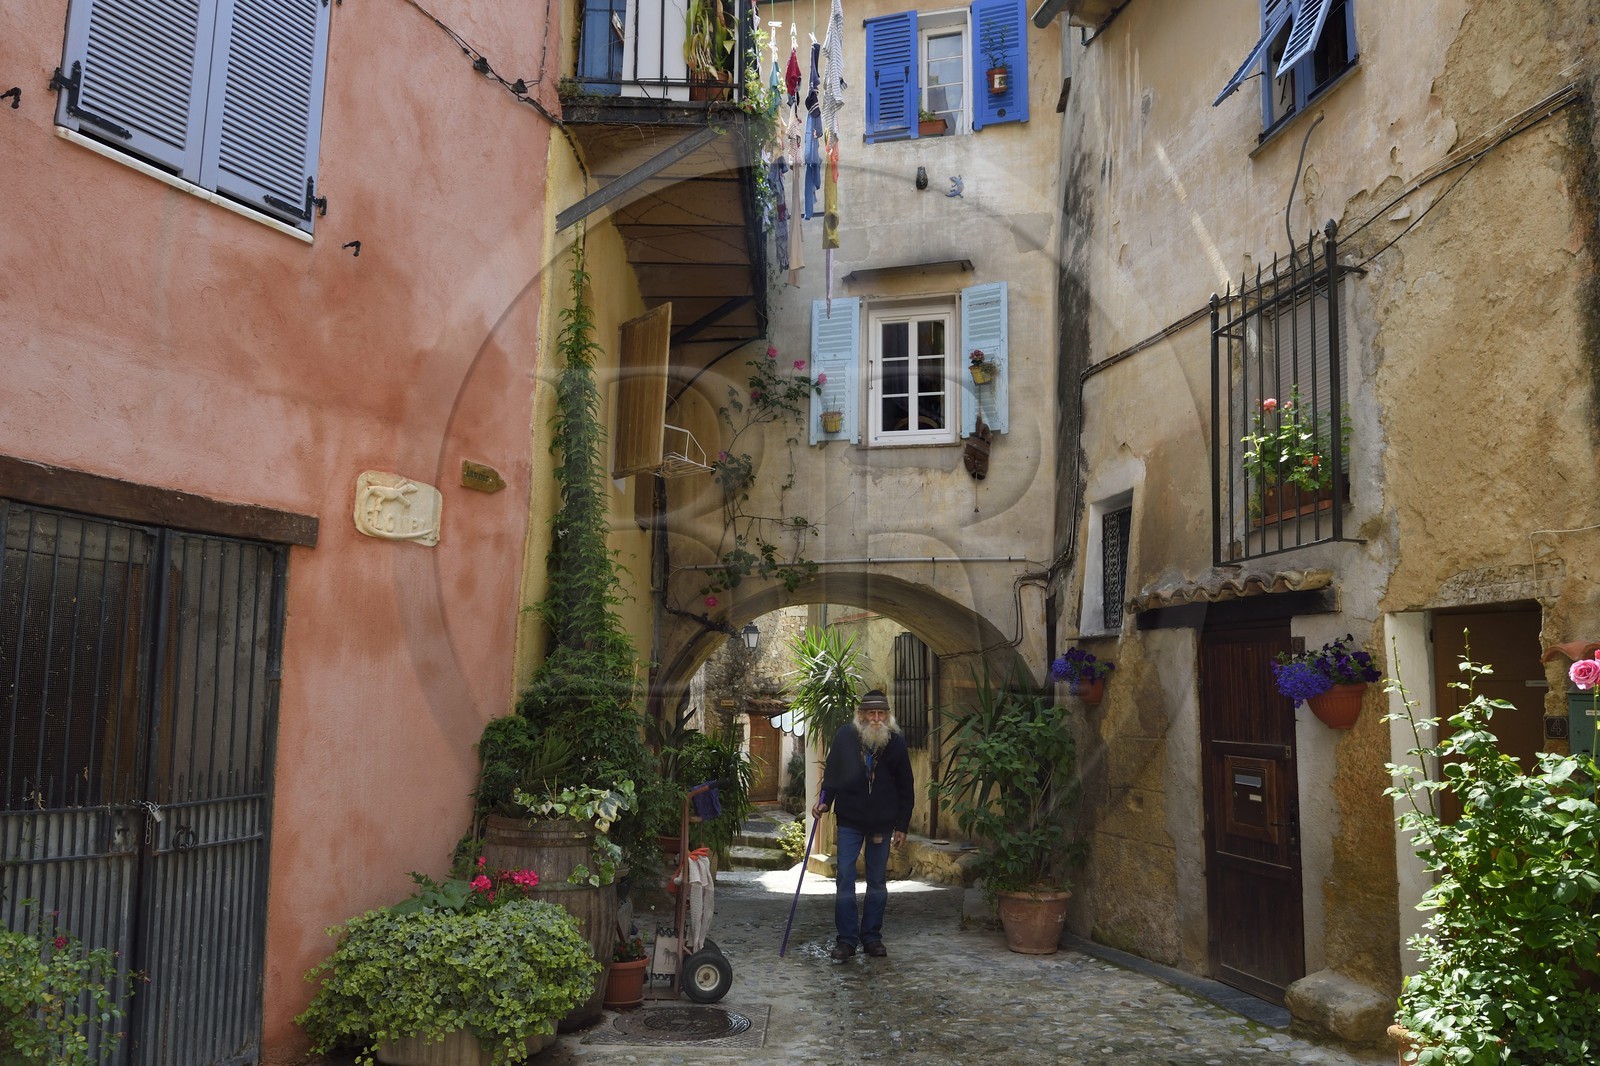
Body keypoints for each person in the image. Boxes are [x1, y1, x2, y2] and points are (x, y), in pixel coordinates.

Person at [812, 688, 914, 960]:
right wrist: (823, 802)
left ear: (888, 716)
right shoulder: (845, 737)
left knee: (877, 880)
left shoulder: (896, 742)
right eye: (872, 714)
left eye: (881, 714)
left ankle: (871, 937)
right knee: (845, 876)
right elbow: (832, 775)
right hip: (850, 818)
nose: (877, 719)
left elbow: (906, 786)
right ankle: (846, 940)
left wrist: (902, 825)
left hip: (882, 821)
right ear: (861, 715)